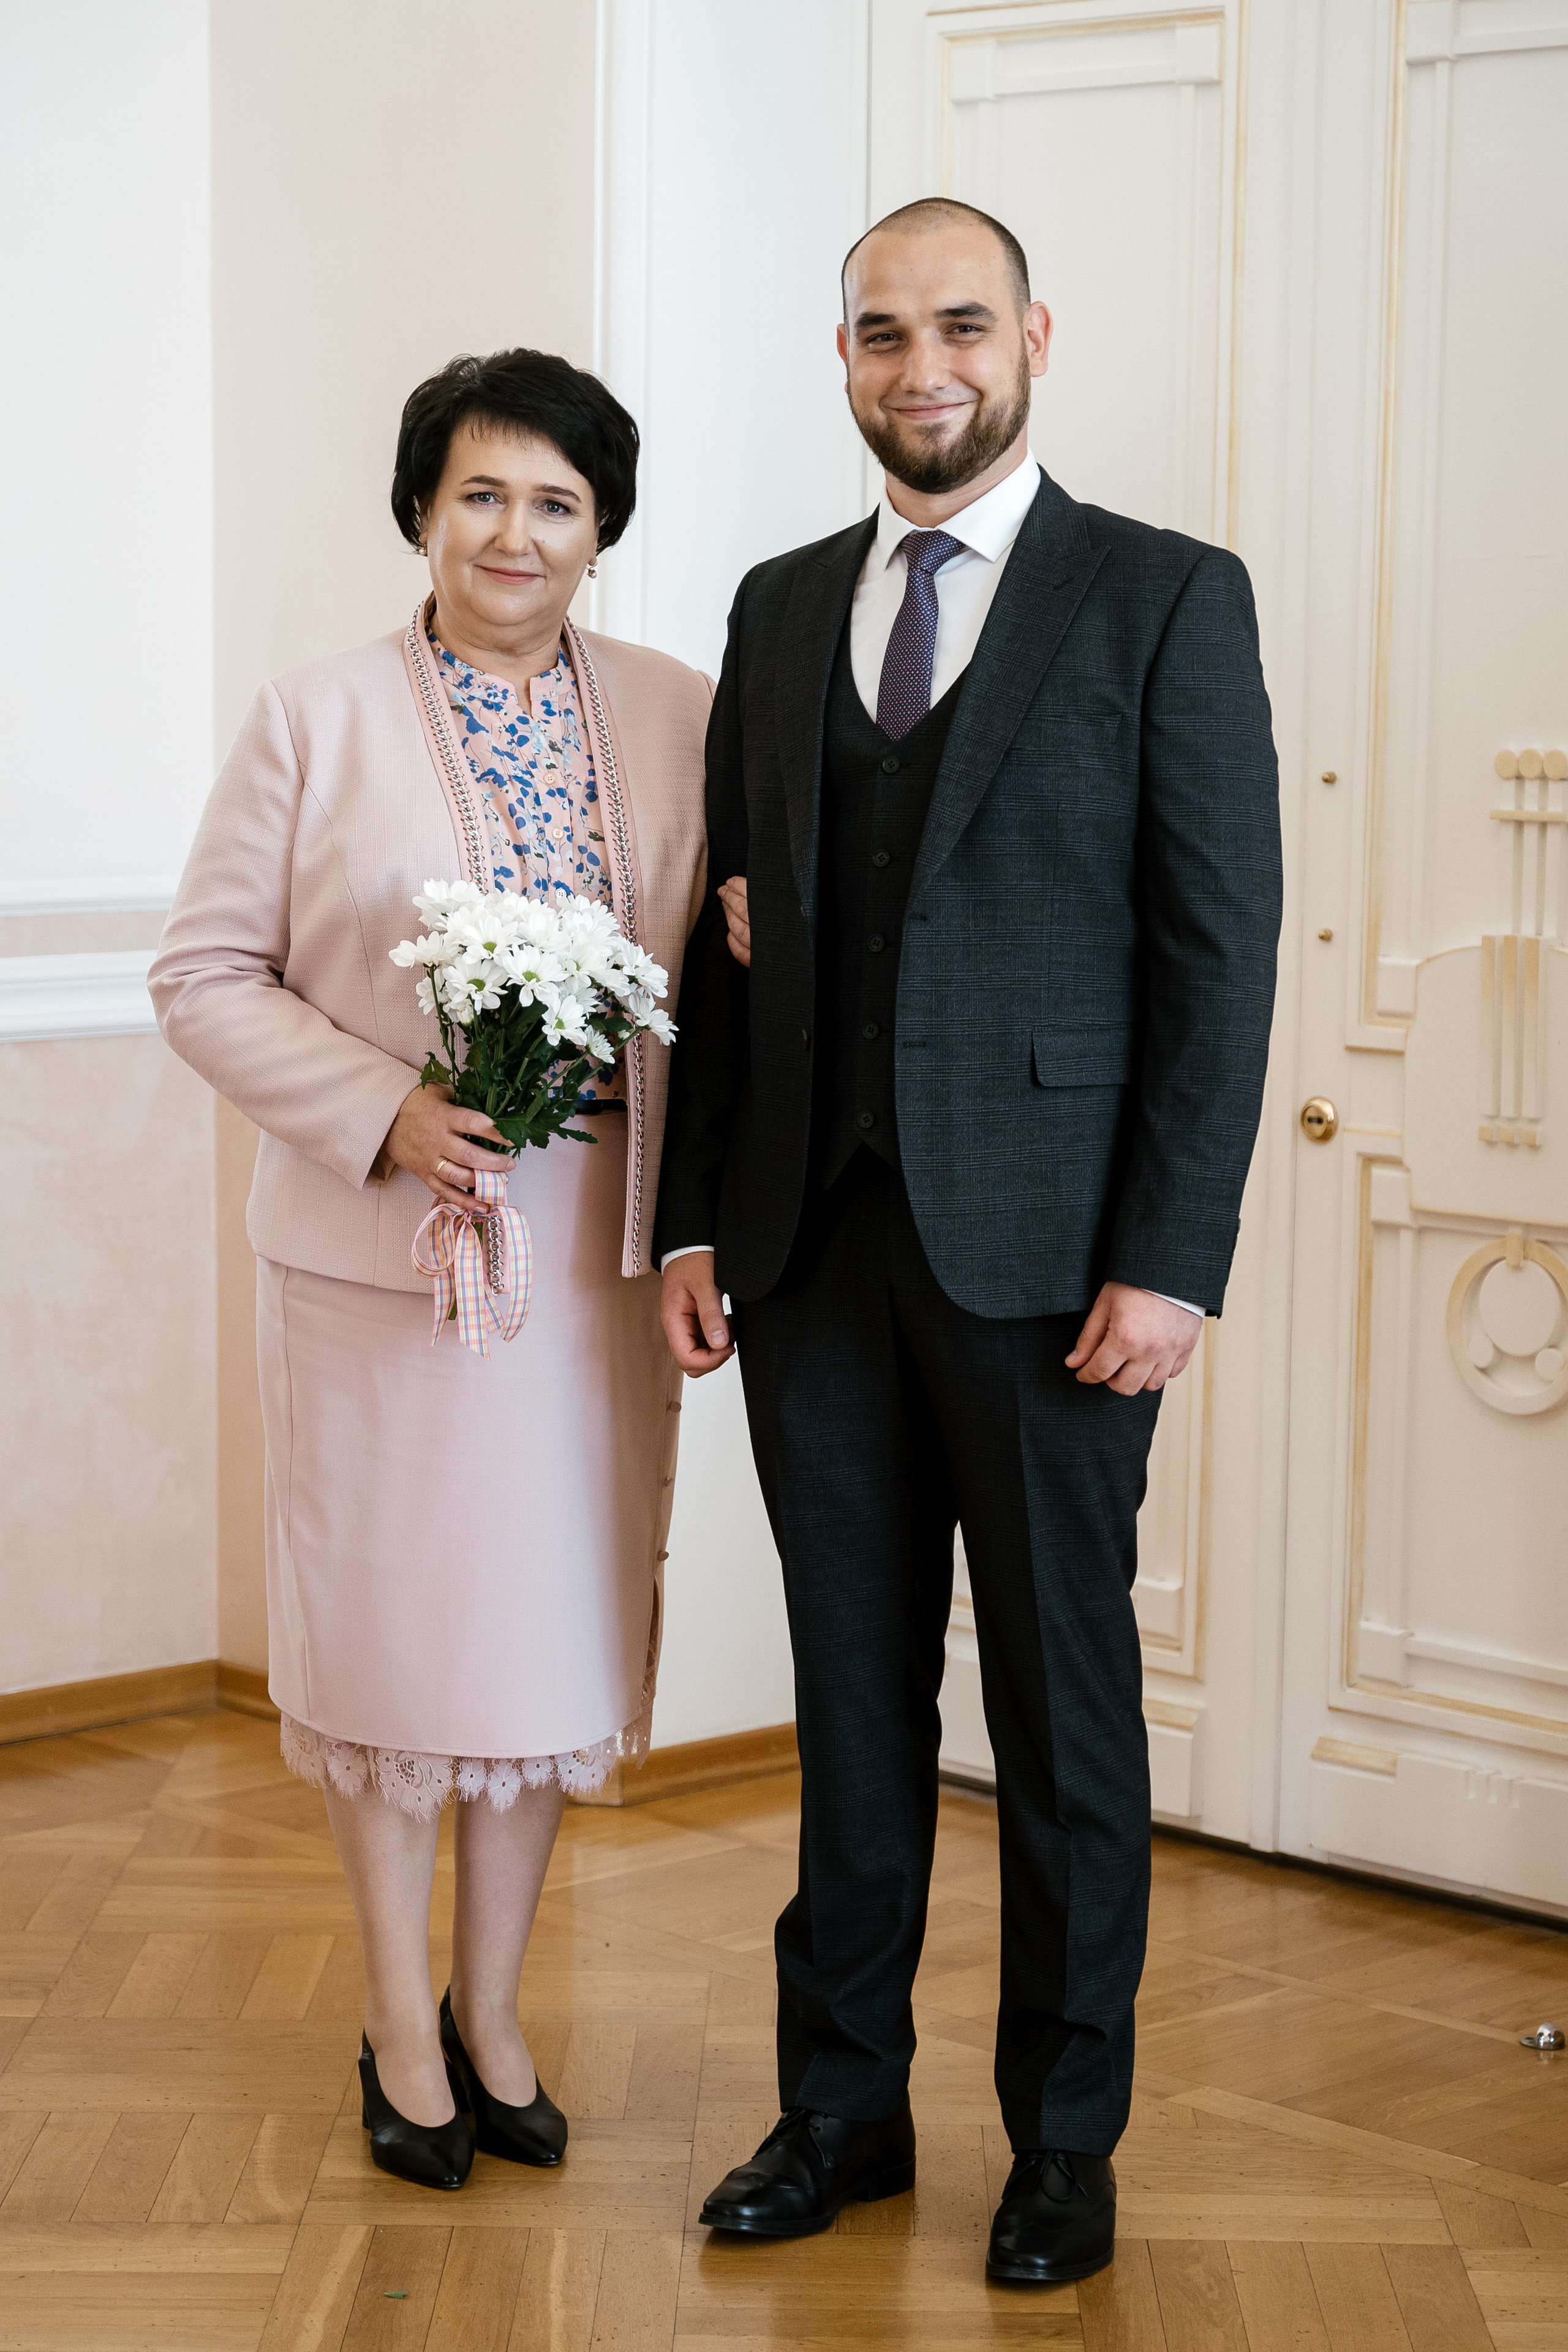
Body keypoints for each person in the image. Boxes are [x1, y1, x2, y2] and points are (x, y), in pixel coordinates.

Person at [655, 201, 1281, 2283]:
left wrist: (1172, 1254)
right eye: (878, 331)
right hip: (811, 1254)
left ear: (1033, 336)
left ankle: (1064, 2139)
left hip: (1053, 1271)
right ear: (841, 359)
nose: (920, 365)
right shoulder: (773, 604)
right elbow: (722, 953)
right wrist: (692, 1220)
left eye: (957, 326)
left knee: (1061, 1719)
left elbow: (1219, 950)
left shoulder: (1165, 600)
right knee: (849, 1707)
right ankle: (839, 2110)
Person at [151, 349, 709, 2193]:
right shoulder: (311, 718)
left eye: (556, 501)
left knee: (542, 1653)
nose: (516, 533)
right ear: (421, 509)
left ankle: (495, 2013)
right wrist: (385, 1104)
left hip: (591, 1281)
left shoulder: (678, 714)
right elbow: (202, 976)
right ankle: (398, 2025)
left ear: (603, 527)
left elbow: (726, 999)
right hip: (375, 1270)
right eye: (481, 493)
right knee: (396, 1661)